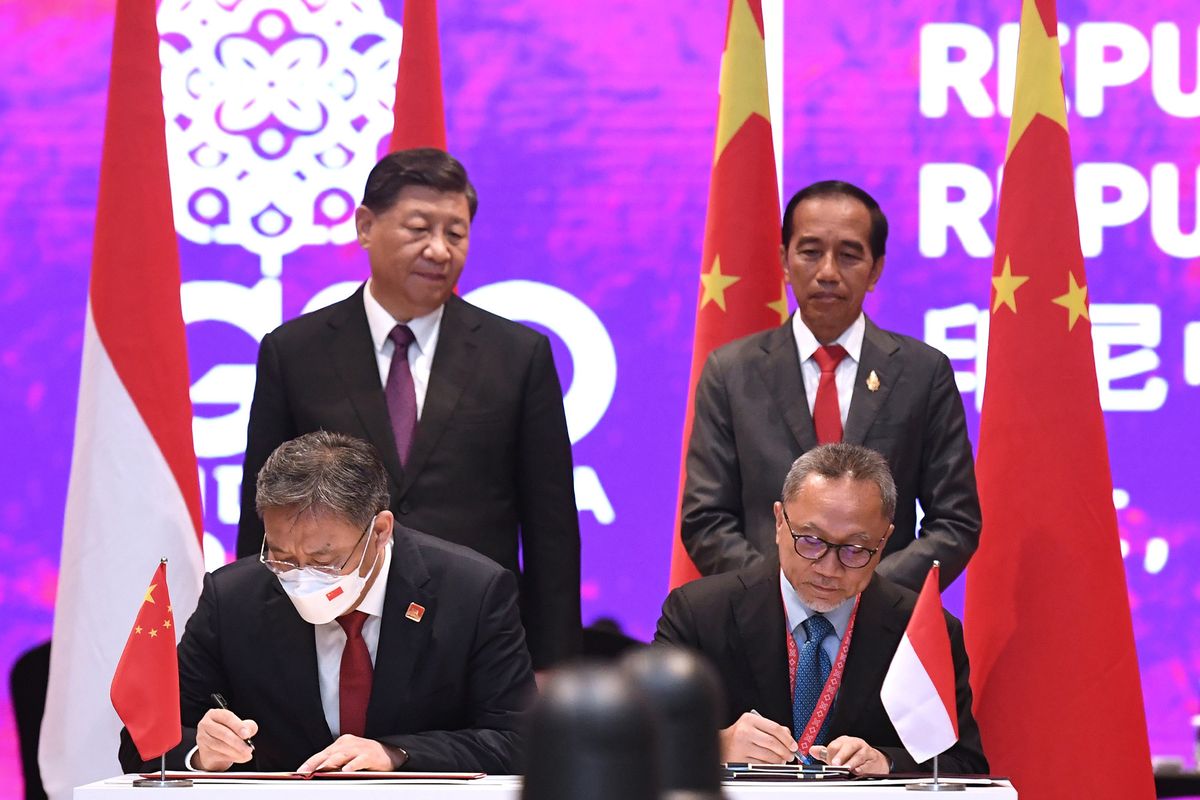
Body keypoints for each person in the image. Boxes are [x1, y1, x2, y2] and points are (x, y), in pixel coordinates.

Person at [235, 148, 580, 670]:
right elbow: (261, 512)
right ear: (366, 226)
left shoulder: (517, 356)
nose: (439, 251)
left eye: (456, 234)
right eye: (419, 229)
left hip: (474, 638)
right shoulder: (295, 352)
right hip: (331, 635)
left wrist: (553, 666)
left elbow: (550, 528)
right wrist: (248, 647)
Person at [121, 431, 536, 774]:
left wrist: (397, 754)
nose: (302, 577)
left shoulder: (472, 592)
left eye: (325, 560)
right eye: (283, 557)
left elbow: (518, 742)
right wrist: (201, 753)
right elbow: (141, 742)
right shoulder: (232, 599)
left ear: (380, 531)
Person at [681, 180, 980, 591]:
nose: (827, 272)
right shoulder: (731, 371)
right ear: (785, 262)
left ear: (875, 270)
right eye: (810, 252)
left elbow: (955, 521)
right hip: (759, 627)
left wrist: (869, 593)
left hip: (884, 629)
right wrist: (781, 594)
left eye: (849, 255)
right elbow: (706, 519)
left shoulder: (923, 373)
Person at [656, 444, 987, 775]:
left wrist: (887, 762)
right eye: (811, 541)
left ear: (883, 541)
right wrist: (716, 745)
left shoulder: (921, 630)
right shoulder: (699, 613)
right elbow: (639, 743)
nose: (829, 569)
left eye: (855, 549)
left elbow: (964, 765)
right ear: (779, 522)